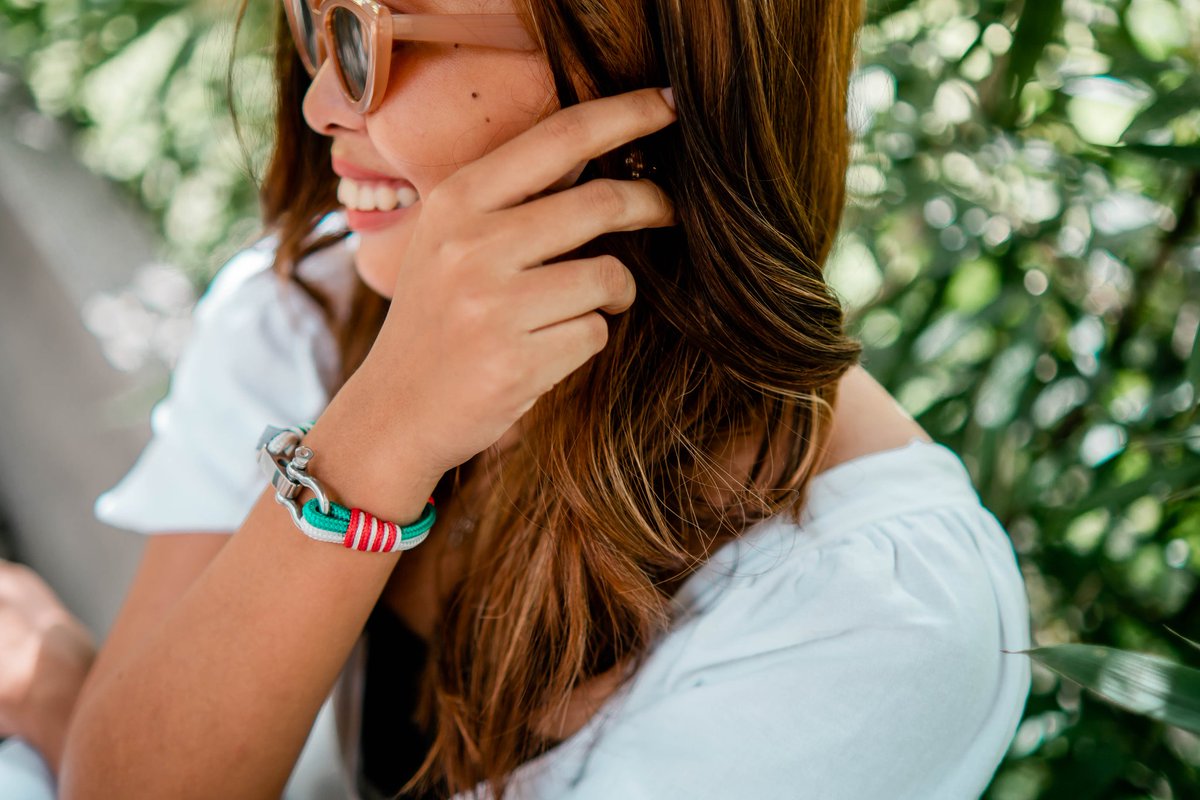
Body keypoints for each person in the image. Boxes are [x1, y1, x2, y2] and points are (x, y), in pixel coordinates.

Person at [20, 0, 1027, 797]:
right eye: (311, 17)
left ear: (632, 58)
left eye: (371, 32)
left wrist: (73, 706)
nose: (323, 101)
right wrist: (374, 443)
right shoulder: (305, 316)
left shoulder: (872, 618)